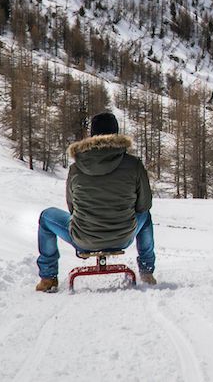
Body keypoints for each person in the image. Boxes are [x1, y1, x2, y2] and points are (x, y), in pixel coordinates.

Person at [35, 111, 156, 292]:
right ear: (117, 134)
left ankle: (48, 278)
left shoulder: (76, 168)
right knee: (145, 216)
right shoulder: (134, 164)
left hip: (83, 238)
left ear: (92, 135)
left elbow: (72, 207)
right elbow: (144, 205)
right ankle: (147, 271)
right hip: (123, 236)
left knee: (46, 217)